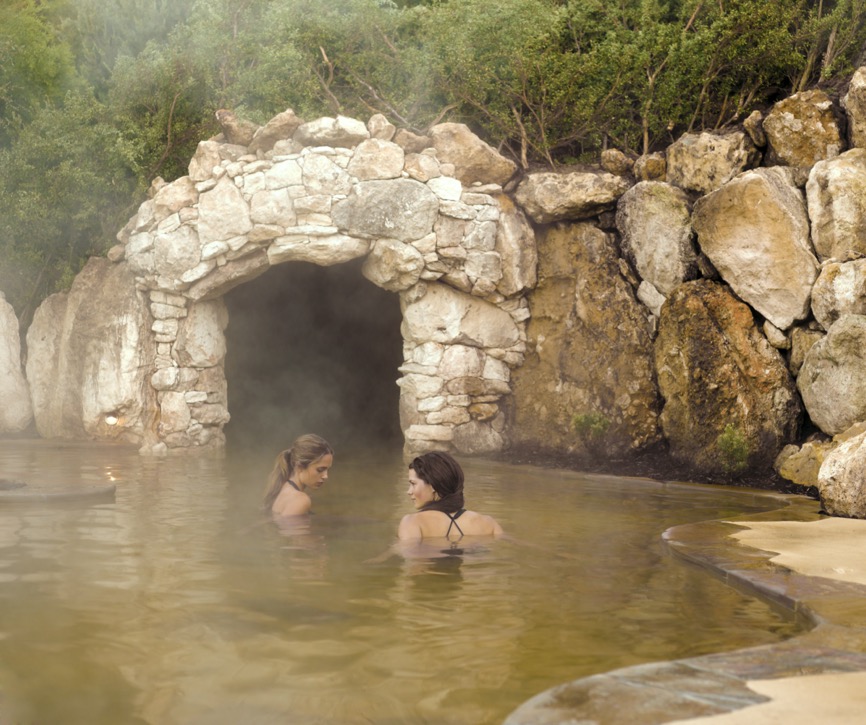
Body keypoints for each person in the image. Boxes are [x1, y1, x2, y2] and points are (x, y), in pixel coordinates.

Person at [398, 451, 503, 541]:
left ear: (433, 485)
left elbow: (415, 560)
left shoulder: (412, 523)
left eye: (413, 484)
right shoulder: (488, 522)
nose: (409, 491)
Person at [264, 434, 334, 517]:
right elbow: (289, 530)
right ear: (299, 467)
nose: (325, 476)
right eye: (320, 470)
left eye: (327, 470)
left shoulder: (282, 487)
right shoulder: (300, 500)